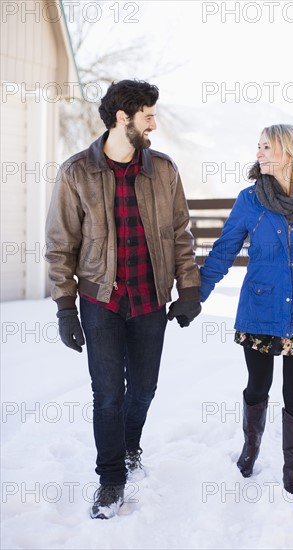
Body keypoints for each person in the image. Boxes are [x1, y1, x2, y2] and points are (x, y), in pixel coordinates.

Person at [45, 80, 201, 519]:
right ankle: (111, 479)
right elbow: (60, 246)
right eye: (148, 116)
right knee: (108, 394)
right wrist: (64, 307)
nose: (154, 124)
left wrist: (188, 290)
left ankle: (130, 446)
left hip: (151, 298)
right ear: (122, 118)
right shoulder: (77, 172)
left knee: (144, 391)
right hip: (102, 302)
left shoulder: (164, 170)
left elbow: (180, 236)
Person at [200, 124, 293, 504]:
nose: (258, 153)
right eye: (258, 146)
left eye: (266, 147)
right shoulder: (250, 200)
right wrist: (195, 294)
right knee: (258, 385)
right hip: (260, 310)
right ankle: (251, 448)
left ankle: (291, 467)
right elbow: (224, 250)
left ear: (289, 152)